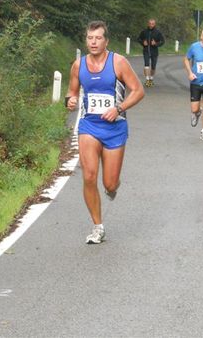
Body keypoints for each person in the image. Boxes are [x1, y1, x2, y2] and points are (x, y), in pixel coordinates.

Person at [66, 20, 145, 244]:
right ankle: (97, 226)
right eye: (90, 38)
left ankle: (112, 188)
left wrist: (119, 108)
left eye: (98, 38)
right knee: (89, 175)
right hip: (89, 126)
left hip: (115, 128)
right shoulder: (78, 65)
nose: (93, 42)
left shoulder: (118, 62)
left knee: (110, 183)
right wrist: (70, 101)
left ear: (106, 41)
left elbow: (138, 91)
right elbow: (71, 93)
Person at [137, 18, 165, 87]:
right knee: (146, 65)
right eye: (150, 23)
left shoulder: (158, 32)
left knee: (153, 66)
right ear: (148, 24)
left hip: (154, 51)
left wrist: (156, 44)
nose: (151, 25)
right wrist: (143, 42)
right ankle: (147, 80)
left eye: (152, 24)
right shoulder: (144, 31)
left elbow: (162, 41)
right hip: (146, 51)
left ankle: (151, 79)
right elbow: (139, 39)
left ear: (154, 24)